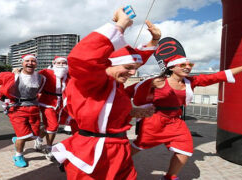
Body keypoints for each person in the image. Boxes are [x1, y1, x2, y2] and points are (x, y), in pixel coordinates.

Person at [51, 7, 160, 179]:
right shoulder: (89, 82)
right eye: (129, 68)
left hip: (120, 150)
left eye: (135, 69)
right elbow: (81, 59)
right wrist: (120, 25)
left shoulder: (116, 85)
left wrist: (154, 40)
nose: (133, 73)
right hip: (92, 151)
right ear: (109, 64)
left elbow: (128, 60)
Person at [129, 51, 242, 179]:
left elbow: (218, 76)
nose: (188, 67)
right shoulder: (157, 81)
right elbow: (131, 91)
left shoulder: (191, 81)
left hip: (175, 121)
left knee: (185, 149)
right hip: (155, 120)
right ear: (171, 68)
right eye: (183, 65)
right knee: (139, 146)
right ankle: (115, 162)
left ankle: (170, 177)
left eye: (190, 65)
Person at [35, 56, 69, 160]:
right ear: (54, 63)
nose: (61, 65)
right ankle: (49, 148)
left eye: (64, 63)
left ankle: (39, 139)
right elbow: (32, 79)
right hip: (47, 102)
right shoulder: (46, 72)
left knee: (49, 126)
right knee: (53, 126)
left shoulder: (68, 74)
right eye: (59, 63)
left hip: (61, 103)